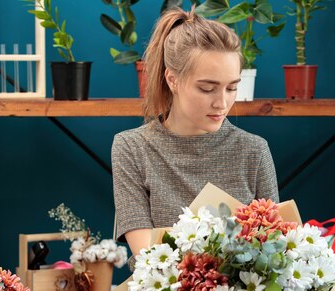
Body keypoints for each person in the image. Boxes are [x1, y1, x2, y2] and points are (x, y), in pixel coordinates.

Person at [112, 7, 279, 256]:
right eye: (207, 88)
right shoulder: (131, 148)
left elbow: (276, 246)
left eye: (232, 88)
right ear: (172, 80)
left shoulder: (254, 150)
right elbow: (148, 256)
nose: (222, 103)